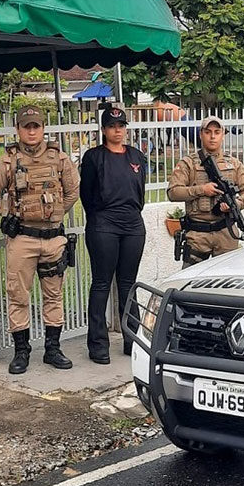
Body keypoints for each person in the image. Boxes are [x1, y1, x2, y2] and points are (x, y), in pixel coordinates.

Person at [0, 106, 80, 374]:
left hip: (53, 239)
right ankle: (21, 351)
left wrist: (54, 213)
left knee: (54, 295)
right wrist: (13, 214)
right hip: (22, 239)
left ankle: (52, 349)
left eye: (36, 126)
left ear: (42, 128)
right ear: (18, 129)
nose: (31, 131)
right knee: (18, 296)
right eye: (26, 126)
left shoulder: (59, 158)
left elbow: (72, 192)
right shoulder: (6, 161)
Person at [79, 107, 147, 363]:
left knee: (129, 285)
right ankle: (97, 344)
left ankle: (133, 340)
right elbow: (86, 194)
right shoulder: (94, 157)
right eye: (112, 126)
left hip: (132, 225)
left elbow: (139, 193)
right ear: (104, 130)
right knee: (101, 284)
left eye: (121, 125)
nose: (117, 130)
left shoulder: (137, 156)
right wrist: (101, 217)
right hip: (104, 224)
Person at [167, 115, 244, 267]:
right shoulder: (188, 163)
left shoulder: (234, 164)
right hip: (197, 234)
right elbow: (173, 192)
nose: (212, 136)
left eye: (217, 132)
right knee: (191, 281)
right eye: (208, 132)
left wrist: (237, 203)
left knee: (227, 283)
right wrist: (201, 189)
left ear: (223, 135)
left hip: (226, 232)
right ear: (201, 134)